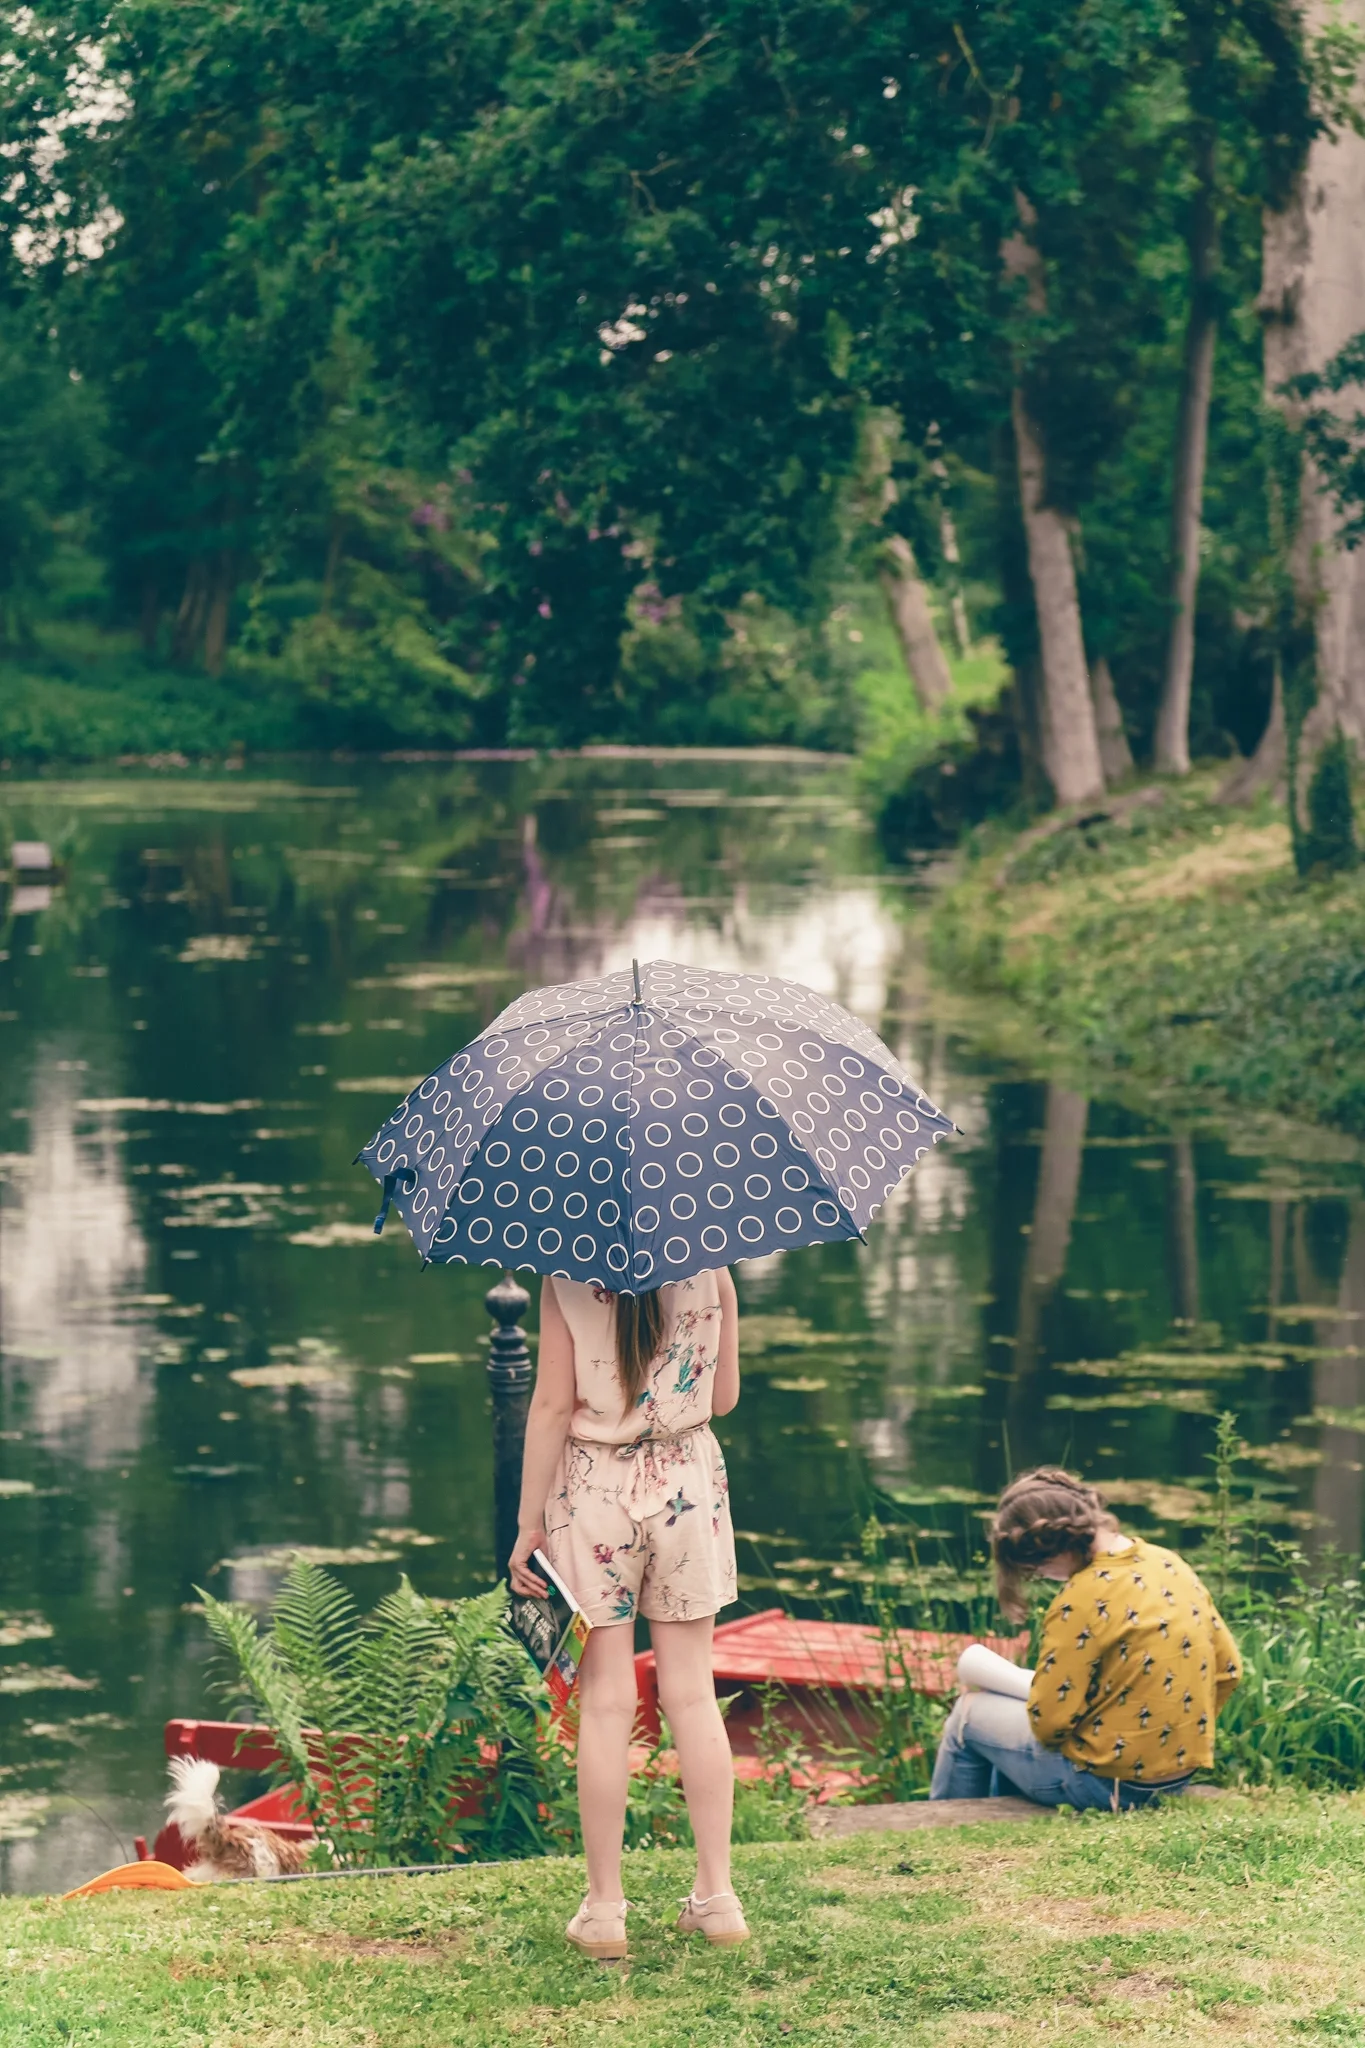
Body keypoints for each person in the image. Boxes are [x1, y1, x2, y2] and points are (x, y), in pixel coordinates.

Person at [509, 1267, 746, 1960]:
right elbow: (723, 1398)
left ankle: (605, 1909)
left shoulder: (566, 1277)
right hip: (686, 1484)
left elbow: (553, 1406)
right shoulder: (713, 1269)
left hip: (591, 1489)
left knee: (607, 1703)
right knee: (691, 1694)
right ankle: (716, 1897)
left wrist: (528, 1525)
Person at [931, 1467, 1242, 1810]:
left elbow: (1050, 1725)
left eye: (1036, 1569)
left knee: (967, 1714)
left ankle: (943, 1822)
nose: (1040, 1577)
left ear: (1049, 1549)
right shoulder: (1168, 1563)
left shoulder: (1079, 1599)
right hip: (1177, 1777)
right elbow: (1228, 1670)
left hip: (1105, 1785)